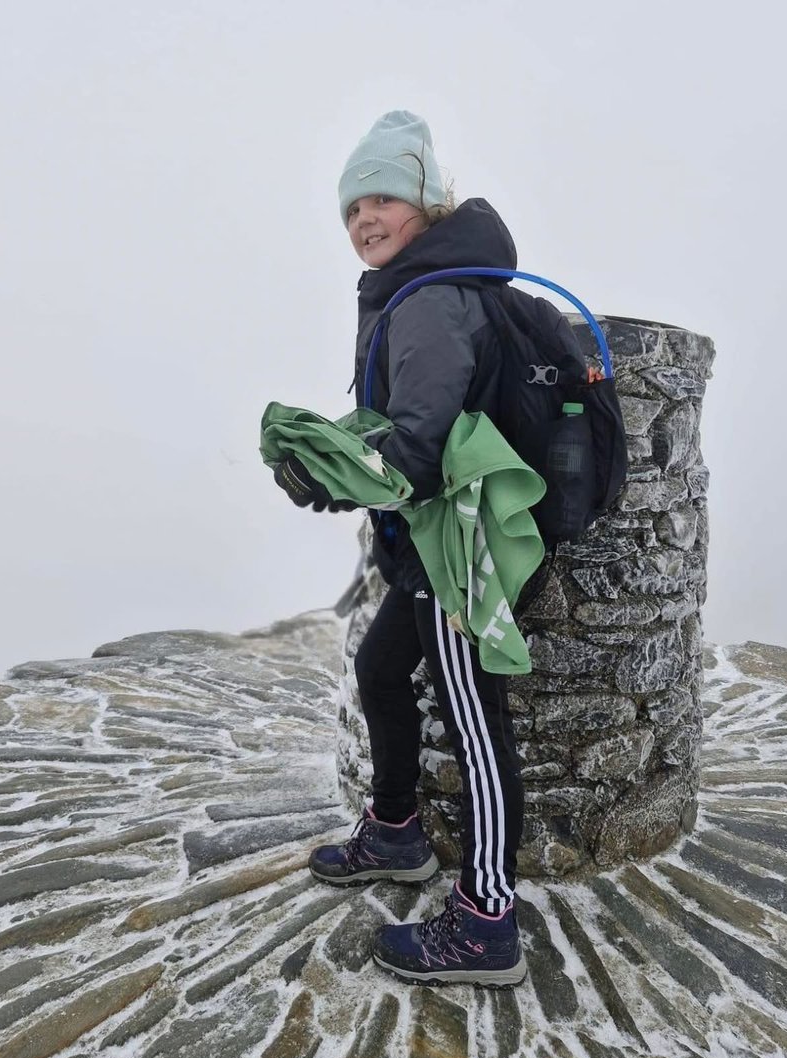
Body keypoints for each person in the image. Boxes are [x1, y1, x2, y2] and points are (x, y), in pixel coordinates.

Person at [274, 110, 527, 987]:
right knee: (383, 674)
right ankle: (395, 833)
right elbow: (408, 423)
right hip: (427, 546)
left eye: (381, 197)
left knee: (475, 727)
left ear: (423, 200)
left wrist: (329, 476)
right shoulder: (419, 286)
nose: (364, 220)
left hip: (458, 549)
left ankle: (488, 919)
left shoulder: (428, 298)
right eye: (351, 208)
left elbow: (414, 448)